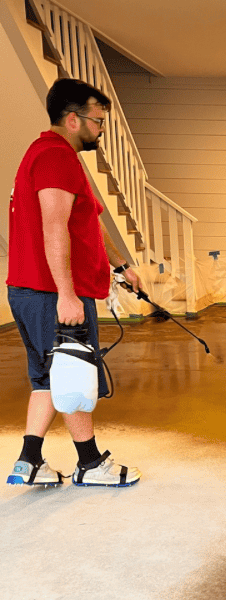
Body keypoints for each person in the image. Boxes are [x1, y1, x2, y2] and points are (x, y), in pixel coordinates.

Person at [5, 77, 142, 487]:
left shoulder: (50, 155)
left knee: (47, 377)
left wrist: (120, 265)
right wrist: (67, 294)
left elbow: (87, 221)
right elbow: (55, 228)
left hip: (31, 290)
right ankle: (90, 463)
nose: (100, 129)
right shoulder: (55, 157)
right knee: (73, 372)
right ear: (72, 119)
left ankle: (29, 462)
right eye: (97, 121)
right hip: (51, 293)